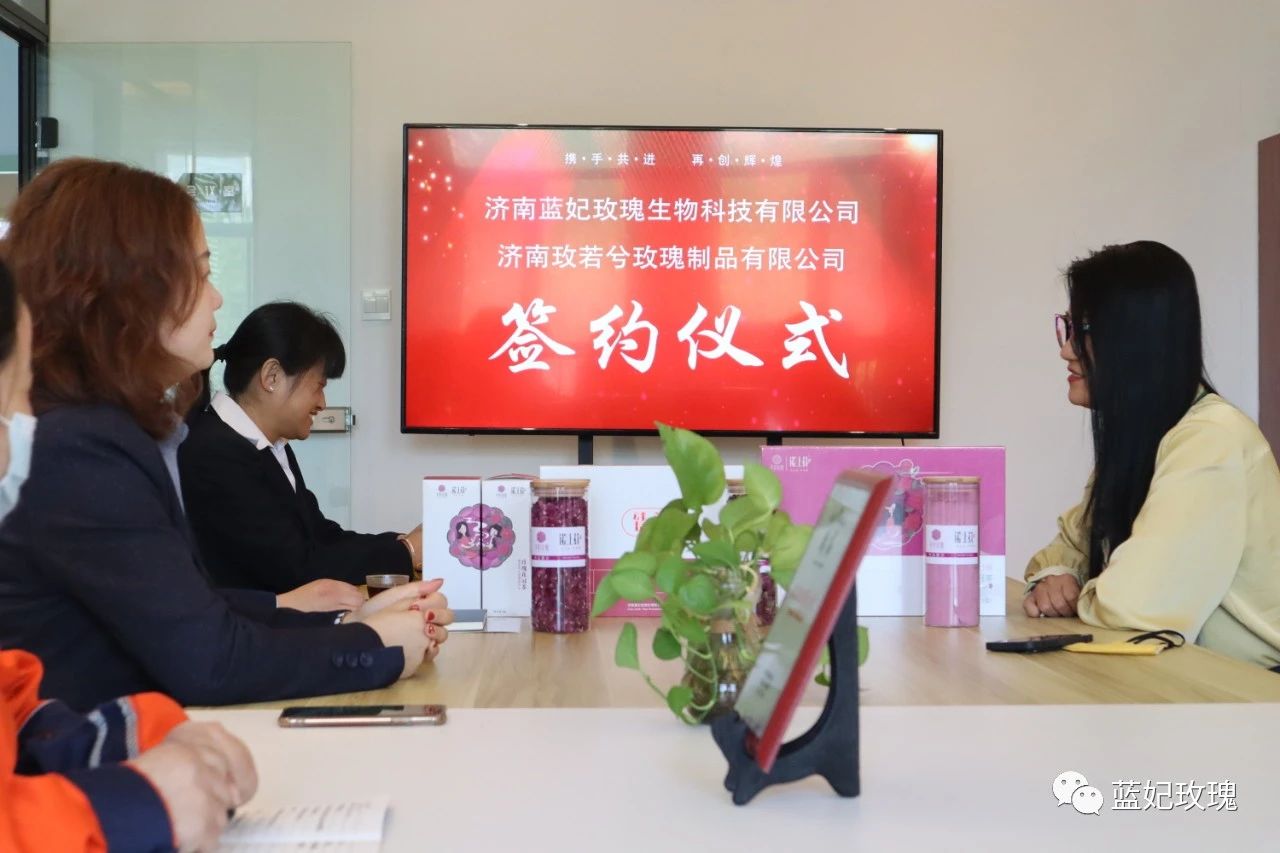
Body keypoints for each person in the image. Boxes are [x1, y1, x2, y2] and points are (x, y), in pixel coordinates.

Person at [0, 157, 452, 710]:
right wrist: (374, 643)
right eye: (202, 272)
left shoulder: (105, 429)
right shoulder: (82, 446)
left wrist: (343, 620)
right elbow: (208, 660)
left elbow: (186, 607)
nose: (216, 298)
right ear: (128, 291)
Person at [0, 256, 257, 851]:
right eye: (18, 397)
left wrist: (139, 735)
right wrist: (134, 806)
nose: (31, 425)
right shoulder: (87, 447)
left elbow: (16, 713)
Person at [1024, 240, 1280, 670]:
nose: (1066, 350)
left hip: (1251, 692)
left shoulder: (1209, 438)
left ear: (1137, 339)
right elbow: (1064, 550)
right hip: (1184, 680)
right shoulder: (1149, 435)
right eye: (1067, 327)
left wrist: (1084, 586)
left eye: (1083, 329)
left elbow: (1136, 611)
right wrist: (1055, 576)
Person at [180, 302, 422, 593]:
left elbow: (321, 536)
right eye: (319, 386)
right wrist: (406, 552)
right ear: (272, 377)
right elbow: (296, 569)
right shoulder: (214, 453)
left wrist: (400, 543)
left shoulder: (269, 447)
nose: (322, 403)